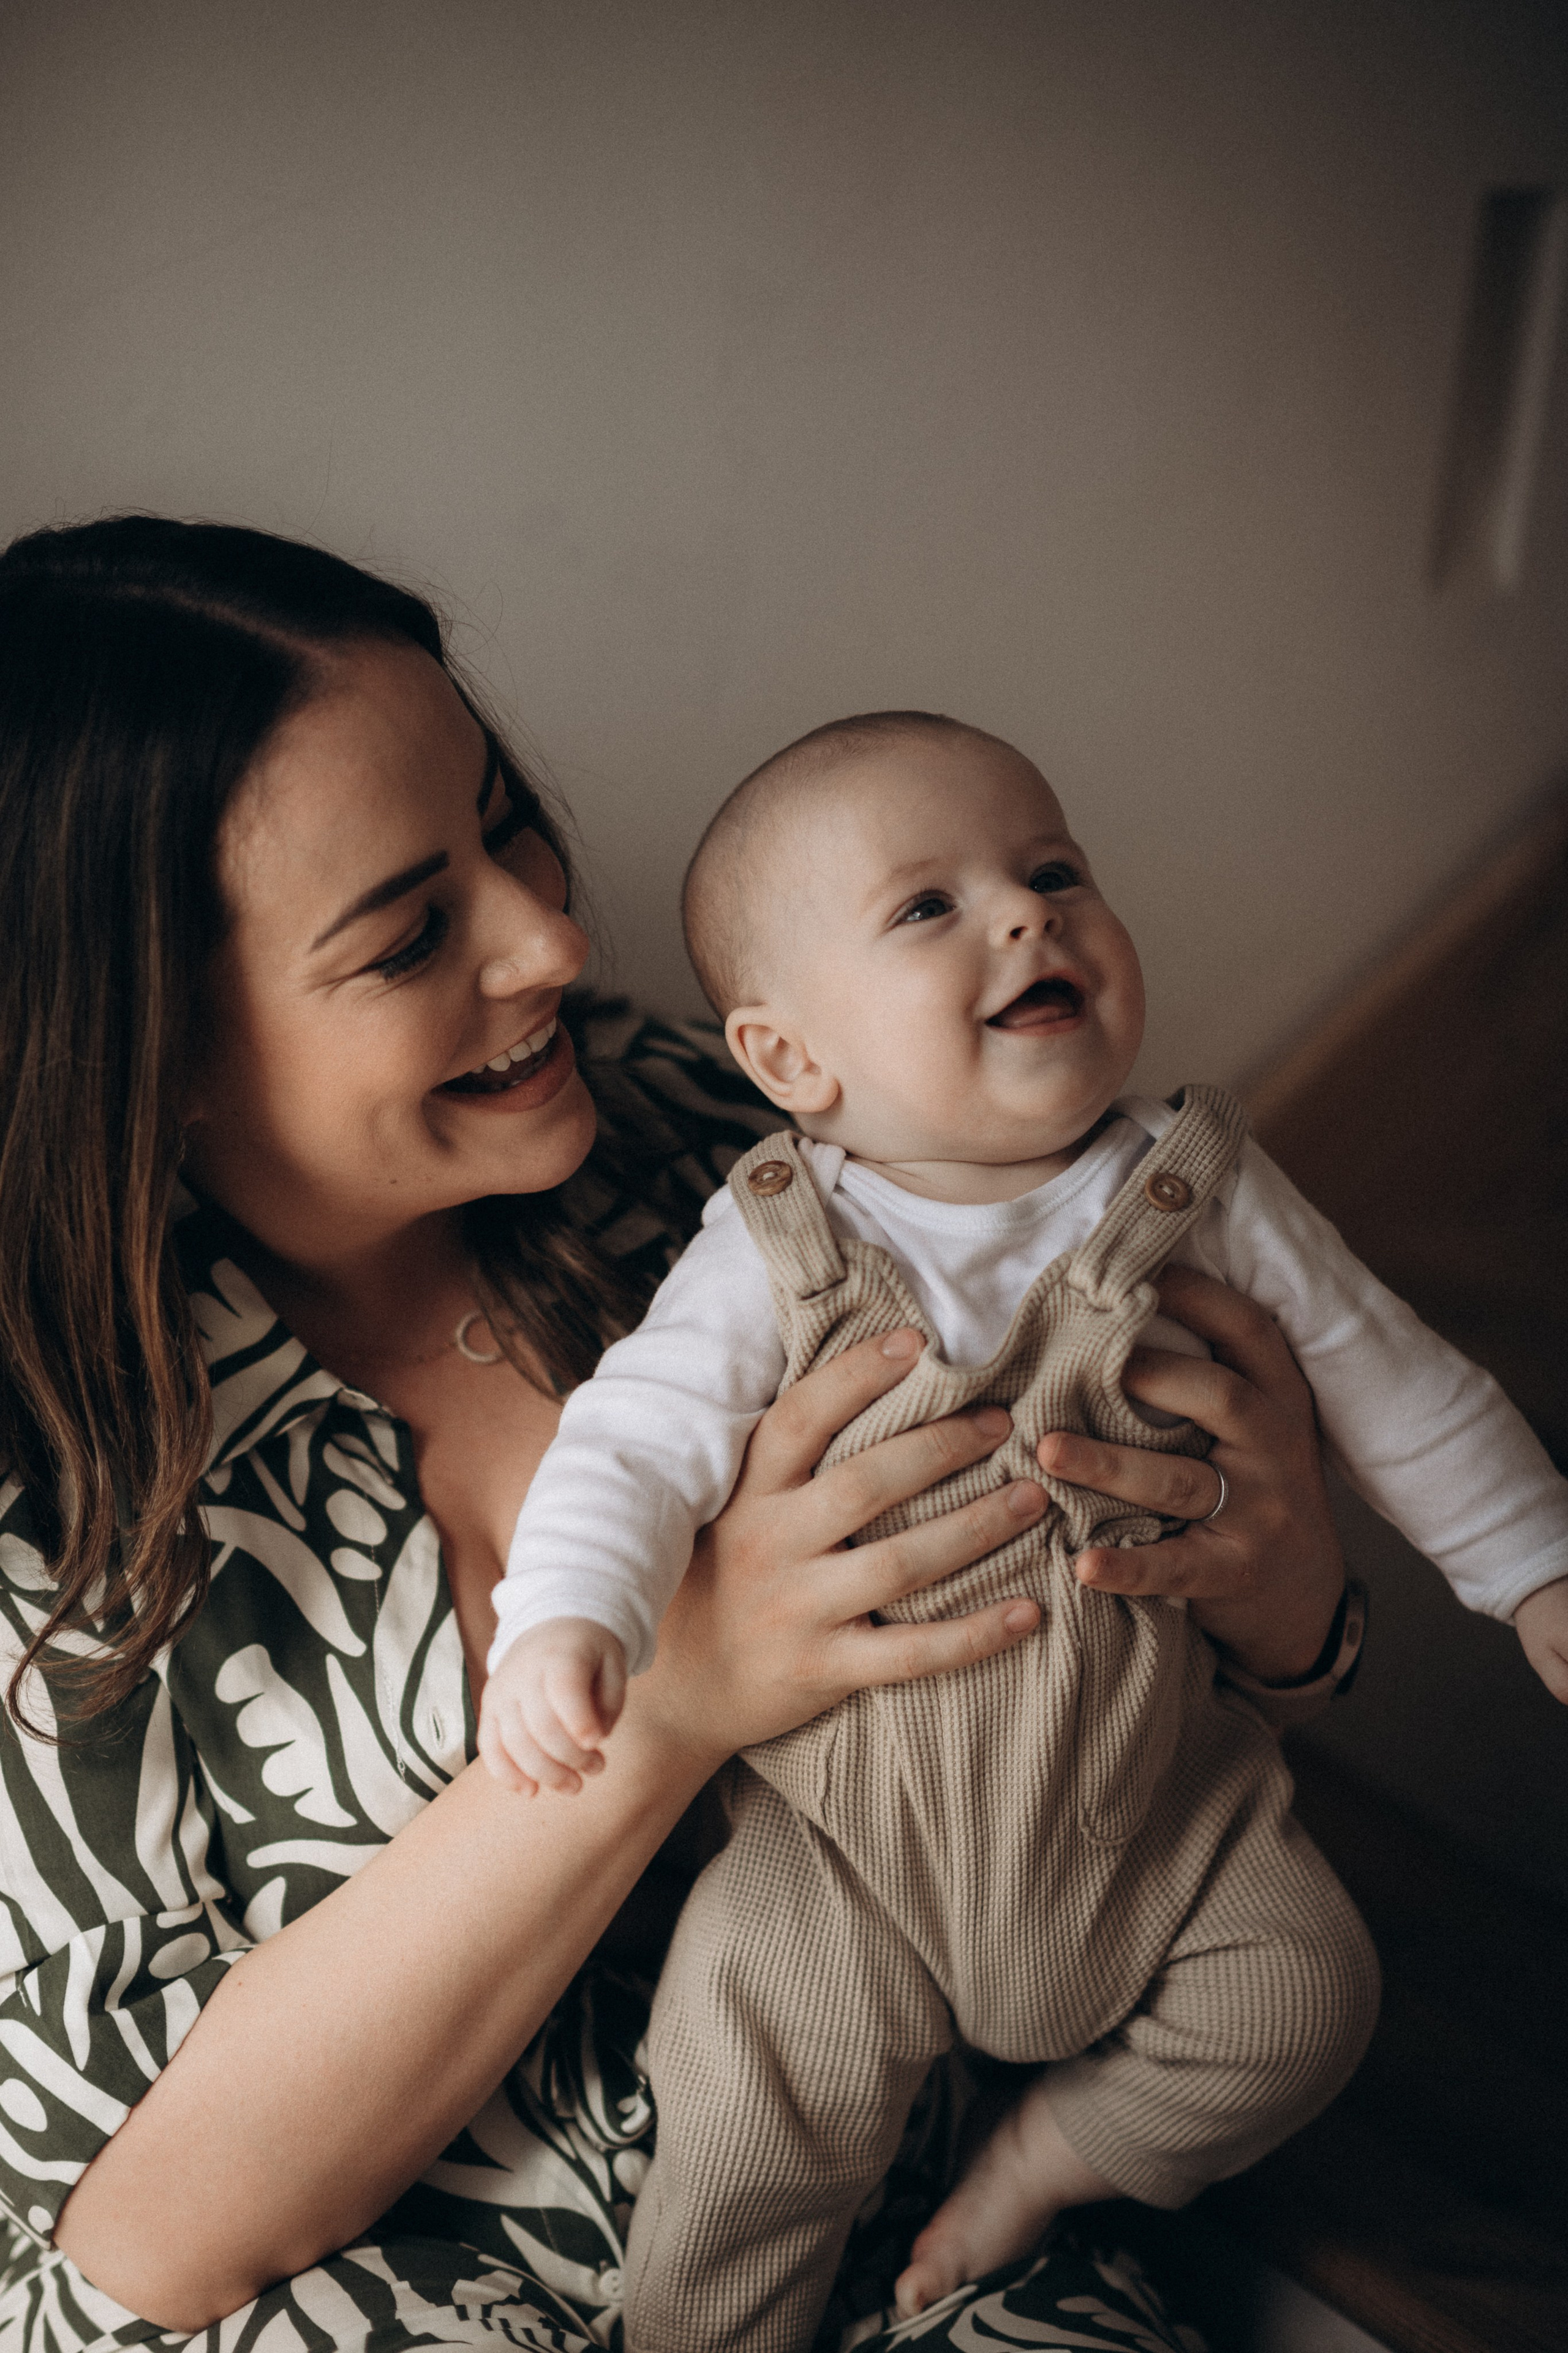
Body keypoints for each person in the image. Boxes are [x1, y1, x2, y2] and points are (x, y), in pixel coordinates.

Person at [0, 521, 1359, 2353]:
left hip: (952, 2224)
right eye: (412, 932)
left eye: (508, 822)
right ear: (145, 1045)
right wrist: (680, 1698)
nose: (554, 937)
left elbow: (1141, 1701)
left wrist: (1291, 1604)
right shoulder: (62, 1498)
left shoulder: (730, 1150)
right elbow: (132, 2250)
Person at [482, 711, 1568, 2352]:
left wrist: (1538, 1561)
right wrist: (574, 1619)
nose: (1026, 914)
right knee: (758, 2107)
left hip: (1149, 1799)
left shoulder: (1199, 1188)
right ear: (790, 1061)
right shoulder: (776, 1245)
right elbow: (632, 1438)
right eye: (930, 906)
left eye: (1053, 869)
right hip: (853, 1852)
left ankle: (1053, 2159)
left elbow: (1393, 1379)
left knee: (1305, 1994)